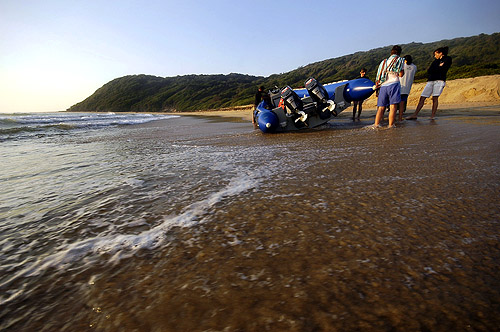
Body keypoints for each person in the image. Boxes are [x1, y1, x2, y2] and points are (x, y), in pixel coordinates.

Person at [407, 47, 452, 120]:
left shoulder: (448, 59)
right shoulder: (435, 61)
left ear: (440, 53)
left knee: (435, 98)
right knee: (422, 97)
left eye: (435, 54)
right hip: (431, 80)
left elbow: (443, 69)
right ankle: (415, 114)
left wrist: (437, 68)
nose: (435, 56)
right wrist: (439, 67)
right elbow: (430, 71)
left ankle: (432, 116)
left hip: (439, 81)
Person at [373, 45, 405, 128]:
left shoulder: (384, 62)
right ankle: (390, 125)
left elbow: (379, 74)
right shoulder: (400, 60)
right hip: (394, 84)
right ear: (399, 52)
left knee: (381, 108)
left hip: (384, 85)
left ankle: (376, 125)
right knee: (393, 106)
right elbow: (401, 74)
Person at [398, 55, 417, 121]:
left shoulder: (402, 65)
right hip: (407, 88)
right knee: (402, 103)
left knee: (394, 103)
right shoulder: (414, 67)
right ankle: (400, 118)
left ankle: (393, 118)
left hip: (399, 86)